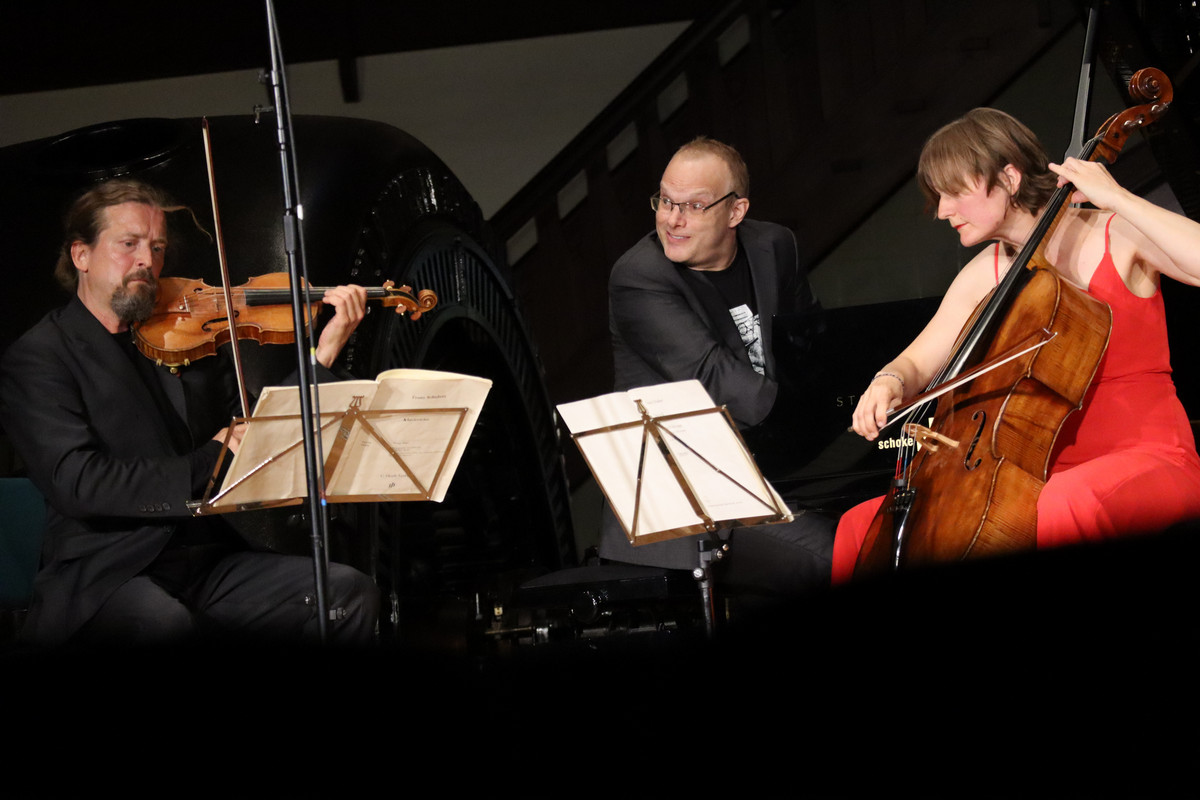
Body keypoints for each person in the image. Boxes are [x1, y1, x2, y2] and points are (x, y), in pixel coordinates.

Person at [0, 178, 380, 646]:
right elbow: (80, 483)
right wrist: (206, 461)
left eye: (157, 247)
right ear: (81, 255)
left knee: (346, 593)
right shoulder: (41, 357)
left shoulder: (185, 339)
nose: (147, 260)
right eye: (129, 244)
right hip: (108, 572)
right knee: (167, 625)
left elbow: (256, 432)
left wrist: (322, 355)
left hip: (203, 561)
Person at [834, 107, 1200, 582]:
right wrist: (889, 380)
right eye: (938, 197)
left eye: (954, 193)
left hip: (1150, 456)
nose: (942, 211)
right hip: (1029, 472)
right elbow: (917, 362)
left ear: (1008, 178)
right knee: (860, 526)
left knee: (1066, 501)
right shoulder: (985, 272)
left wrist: (1117, 197)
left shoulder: (1115, 233)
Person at [601, 136, 834, 599]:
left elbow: (812, 344)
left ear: (735, 211)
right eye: (666, 201)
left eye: (693, 206)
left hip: (774, 470)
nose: (672, 219)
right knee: (837, 555)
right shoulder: (639, 277)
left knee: (895, 524)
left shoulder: (773, 245)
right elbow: (715, 378)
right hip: (684, 500)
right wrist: (813, 413)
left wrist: (859, 402)